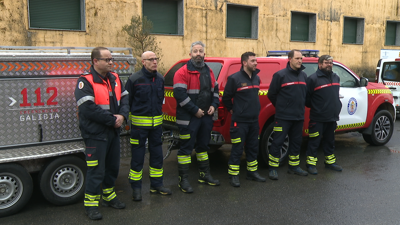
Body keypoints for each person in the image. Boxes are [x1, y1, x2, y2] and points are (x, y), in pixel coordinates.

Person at [74, 47, 129, 220]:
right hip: (95, 133)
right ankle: (90, 206)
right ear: (95, 61)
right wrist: (112, 120)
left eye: (111, 59)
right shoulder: (85, 81)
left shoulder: (115, 78)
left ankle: (109, 197)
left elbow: (126, 99)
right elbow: (88, 109)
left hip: (113, 131)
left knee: (112, 167)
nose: (111, 62)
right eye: (107, 60)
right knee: (96, 170)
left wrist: (122, 116)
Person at [173, 41, 220, 193]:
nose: (198, 54)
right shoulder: (182, 72)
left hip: (205, 117)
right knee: (186, 149)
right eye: (195, 51)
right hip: (189, 118)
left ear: (204, 54)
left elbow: (215, 91)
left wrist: (214, 105)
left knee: (203, 147)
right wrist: (195, 110)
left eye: (200, 51)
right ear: (190, 54)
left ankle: (204, 175)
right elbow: (179, 95)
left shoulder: (209, 72)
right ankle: (183, 180)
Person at [124, 51, 172, 201]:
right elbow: (127, 102)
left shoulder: (160, 78)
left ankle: (156, 185)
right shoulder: (134, 79)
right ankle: (136, 189)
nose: (155, 62)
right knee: (137, 159)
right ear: (143, 62)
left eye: (156, 59)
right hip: (139, 128)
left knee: (157, 157)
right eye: (151, 59)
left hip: (156, 128)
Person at [222, 52, 266, 187]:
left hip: (253, 121)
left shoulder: (257, 78)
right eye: (253, 61)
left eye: (256, 61)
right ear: (244, 63)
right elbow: (226, 98)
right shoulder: (234, 79)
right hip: (239, 122)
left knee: (253, 148)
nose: (256, 63)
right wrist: (232, 109)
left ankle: (252, 173)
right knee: (237, 148)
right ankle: (233, 175)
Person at [267, 49, 308, 180]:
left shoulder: (303, 76)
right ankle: (273, 168)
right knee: (278, 142)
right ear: (289, 59)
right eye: (297, 58)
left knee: (296, 142)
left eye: (301, 59)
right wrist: (282, 107)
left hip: (298, 117)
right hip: (283, 117)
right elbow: (271, 94)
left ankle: (294, 167)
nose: (300, 61)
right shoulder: (280, 75)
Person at [305, 55, 343, 174]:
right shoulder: (313, 79)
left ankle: (330, 162)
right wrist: (318, 107)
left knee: (330, 141)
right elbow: (307, 99)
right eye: (326, 62)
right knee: (314, 142)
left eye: (331, 63)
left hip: (331, 117)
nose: (329, 65)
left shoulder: (336, 77)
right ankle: (311, 164)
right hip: (318, 118)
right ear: (320, 64)